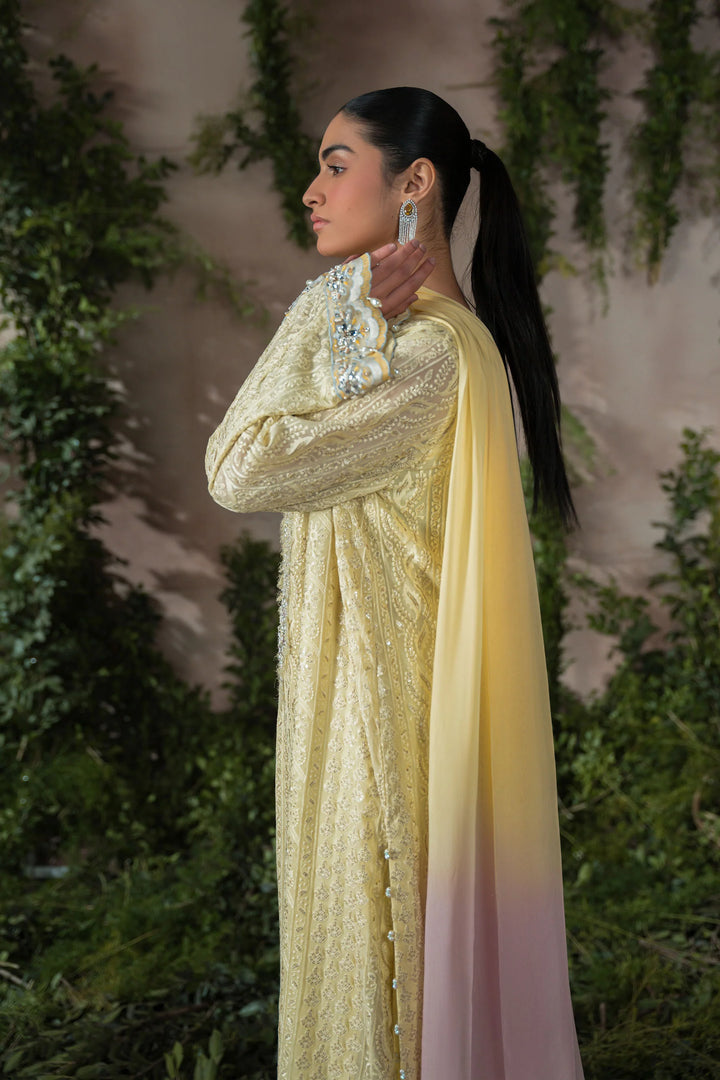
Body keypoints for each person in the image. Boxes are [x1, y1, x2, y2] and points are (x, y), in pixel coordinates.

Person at [206, 87, 584, 1080]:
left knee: (377, 996)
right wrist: (348, 320)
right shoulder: (400, 347)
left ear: (415, 183)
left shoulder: (422, 358)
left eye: (336, 166)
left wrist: (326, 309)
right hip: (366, 711)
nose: (311, 191)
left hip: (383, 735)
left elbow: (238, 468)